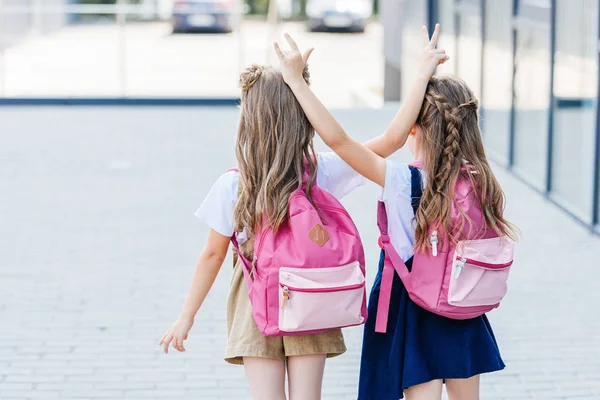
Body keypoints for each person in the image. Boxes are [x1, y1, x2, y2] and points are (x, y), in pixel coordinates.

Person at [274, 25, 519, 400]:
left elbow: (339, 141)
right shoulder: (481, 179)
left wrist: (296, 81)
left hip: (414, 306)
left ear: (414, 128)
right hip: (464, 305)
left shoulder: (404, 181)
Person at [158, 61, 415, 399]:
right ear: (302, 119)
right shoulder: (322, 172)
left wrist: (185, 317)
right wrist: (421, 73)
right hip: (311, 297)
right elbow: (389, 141)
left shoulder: (234, 185)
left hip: (255, 304)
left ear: (251, 121)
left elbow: (212, 255)